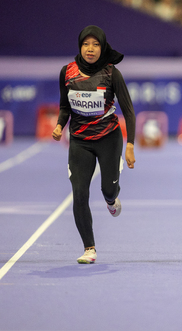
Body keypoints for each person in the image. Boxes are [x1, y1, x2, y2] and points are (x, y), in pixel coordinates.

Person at [52, 25, 136, 264]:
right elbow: (64, 106)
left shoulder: (111, 73)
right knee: (79, 194)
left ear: (102, 47)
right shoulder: (67, 72)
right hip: (79, 141)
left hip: (109, 139)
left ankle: (111, 199)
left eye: (95, 44)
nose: (90, 49)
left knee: (108, 190)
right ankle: (89, 248)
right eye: (86, 44)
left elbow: (128, 112)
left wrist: (130, 145)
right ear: (80, 46)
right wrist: (59, 125)